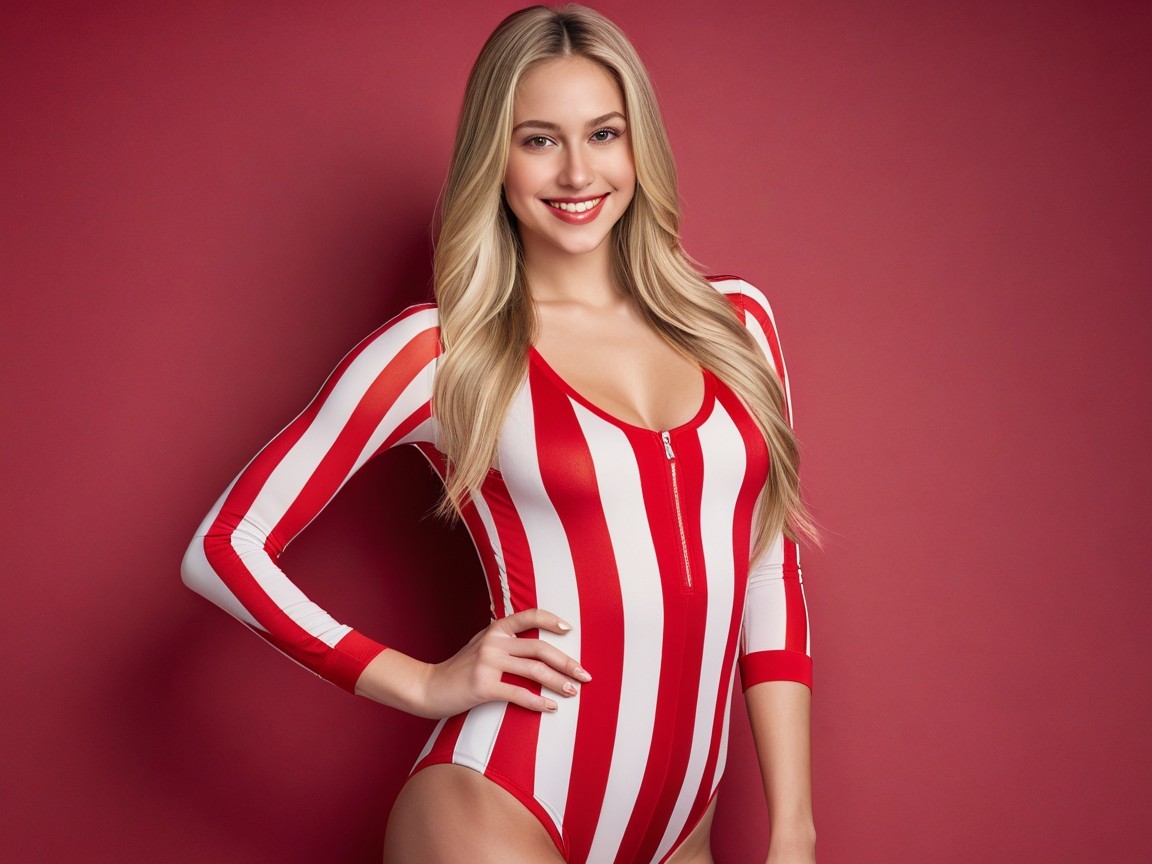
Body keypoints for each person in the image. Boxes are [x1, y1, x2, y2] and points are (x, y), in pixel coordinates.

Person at [181, 4, 819, 863]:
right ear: (496, 156)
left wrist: (793, 829)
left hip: (682, 831)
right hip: (498, 806)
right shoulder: (443, 350)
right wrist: (421, 682)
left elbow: (767, 570)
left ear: (641, 147)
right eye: (538, 139)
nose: (577, 171)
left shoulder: (738, 325)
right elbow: (225, 547)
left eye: (603, 133)